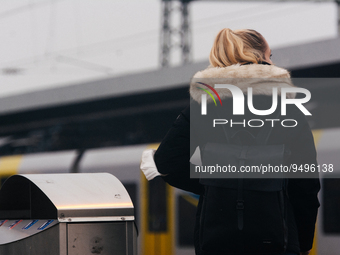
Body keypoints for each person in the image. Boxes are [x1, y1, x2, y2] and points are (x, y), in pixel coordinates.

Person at [142, 28, 320, 255]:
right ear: (258, 57)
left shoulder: (203, 107)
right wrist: (303, 244)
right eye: (269, 55)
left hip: (217, 241)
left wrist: (218, 183)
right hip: (278, 241)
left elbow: (166, 163)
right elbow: (305, 186)